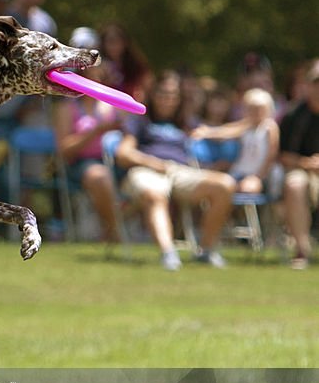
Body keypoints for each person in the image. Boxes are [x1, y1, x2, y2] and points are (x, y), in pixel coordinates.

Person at [116, 71, 235, 270]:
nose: (167, 99)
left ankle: (205, 251)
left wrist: (256, 121)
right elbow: (123, 153)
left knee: (225, 185)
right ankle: (168, 254)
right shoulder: (140, 120)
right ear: (153, 94)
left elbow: (221, 132)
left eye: (173, 95)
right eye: (163, 93)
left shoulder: (186, 122)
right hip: (145, 170)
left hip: (180, 171)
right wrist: (151, 162)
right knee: (155, 194)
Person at [52, 29, 120, 242]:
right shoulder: (67, 107)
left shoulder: (111, 103)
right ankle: (116, 232)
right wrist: (96, 132)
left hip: (116, 161)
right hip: (81, 164)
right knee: (98, 176)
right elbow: (64, 149)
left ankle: (116, 227)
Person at [191, 88, 281, 195]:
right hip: (239, 173)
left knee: (245, 190)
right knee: (220, 186)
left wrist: (257, 178)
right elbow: (227, 132)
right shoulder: (246, 125)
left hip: (259, 175)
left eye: (259, 108)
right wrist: (207, 132)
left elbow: (271, 156)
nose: (256, 112)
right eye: (252, 108)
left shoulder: (269, 127)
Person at [278, 59, 319, 269]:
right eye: (317, 82)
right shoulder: (294, 115)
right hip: (302, 170)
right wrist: (307, 163)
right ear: (308, 85)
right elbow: (284, 155)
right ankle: (302, 250)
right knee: (293, 185)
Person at [92, 23, 152, 102]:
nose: (114, 46)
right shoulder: (97, 65)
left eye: (117, 41)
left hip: (130, 107)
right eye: (110, 41)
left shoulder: (135, 64)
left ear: (125, 43)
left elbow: (148, 85)